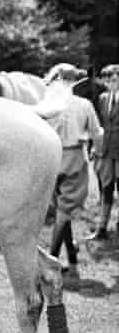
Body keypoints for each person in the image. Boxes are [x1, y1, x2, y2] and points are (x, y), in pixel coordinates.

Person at [34, 63, 103, 288]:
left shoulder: (46, 105)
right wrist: (97, 149)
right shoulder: (84, 105)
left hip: (49, 159)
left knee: (62, 213)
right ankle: (51, 260)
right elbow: (97, 132)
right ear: (75, 82)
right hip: (73, 159)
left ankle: (71, 258)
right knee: (65, 213)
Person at [89, 63, 119, 240]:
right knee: (106, 188)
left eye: (115, 78)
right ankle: (102, 228)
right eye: (108, 79)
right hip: (105, 151)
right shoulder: (102, 98)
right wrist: (95, 146)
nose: (111, 82)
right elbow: (100, 125)